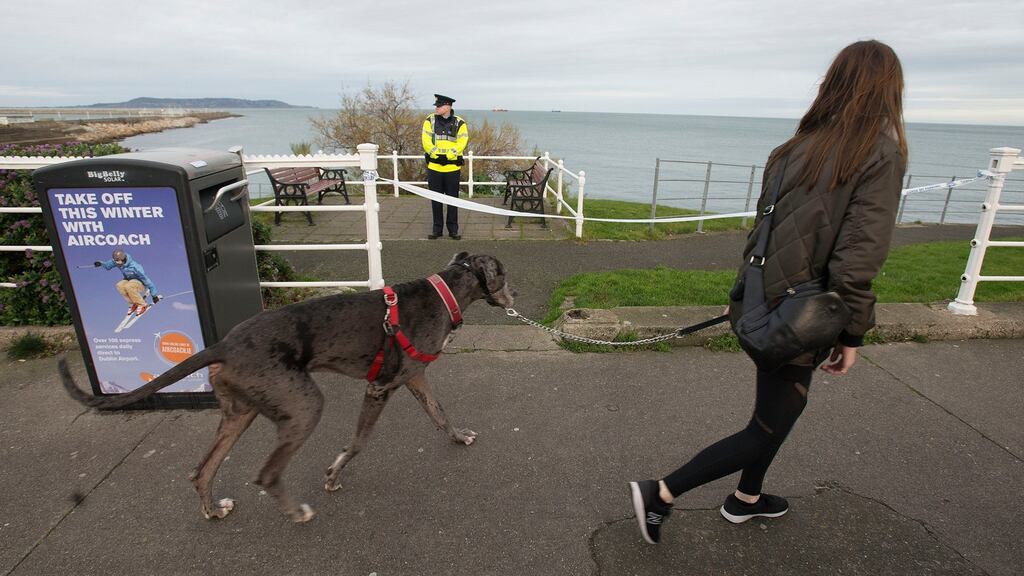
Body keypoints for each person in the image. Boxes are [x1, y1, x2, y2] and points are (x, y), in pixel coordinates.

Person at [628, 40, 908, 545]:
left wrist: (747, 297)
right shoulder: (880, 153)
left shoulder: (794, 149)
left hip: (763, 303)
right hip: (805, 312)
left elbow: (764, 235)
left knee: (779, 411)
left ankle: (747, 499)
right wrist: (854, 335)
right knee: (768, 425)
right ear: (889, 91)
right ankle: (662, 492)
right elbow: (858, 259)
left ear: (834, 85)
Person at [422, 93, 469, 240]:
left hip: (452, 168)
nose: (436, 108)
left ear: (448, 106)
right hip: (434, 168)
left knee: (452, 200)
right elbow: (426, 141)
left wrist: (449, 154)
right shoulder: (429, 120)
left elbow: (462, 142)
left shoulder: (460, 123)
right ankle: (437, 230)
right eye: (436, 106)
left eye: (439, 106)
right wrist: (436, 154)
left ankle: (453, 230)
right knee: (435, 200)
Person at [95, 249, 161, 316]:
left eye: (118, 261)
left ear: (123, 259)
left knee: (128, 286)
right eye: (116, 261)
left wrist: (154, 295)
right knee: (119, 285)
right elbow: (108, 266)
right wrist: (100, 263)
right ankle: (133, 303)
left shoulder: (135, 267)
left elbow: (147, 280)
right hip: (129, 280)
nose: (117, 263)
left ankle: (143, 304)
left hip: (140, 284)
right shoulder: (117, 261)